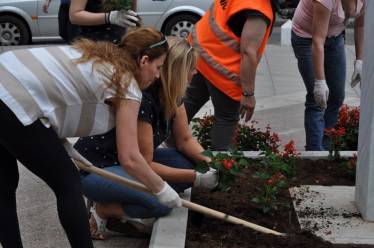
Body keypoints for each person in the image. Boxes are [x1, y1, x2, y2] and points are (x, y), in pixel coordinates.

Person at [0, 27, 182, 248]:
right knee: (68, 184)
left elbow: (50, 96)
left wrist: (63, 146)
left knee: (4, 184)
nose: (157, 75)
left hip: (5, 75)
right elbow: (131, 158)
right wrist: (161, 188)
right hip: (11, 99)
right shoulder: (127, 85)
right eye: (158, 67)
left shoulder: (99, 57)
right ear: (144, 60)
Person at [73, 37, 218, 240]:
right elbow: (145, 164)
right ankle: (104, 210)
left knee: (186, 162)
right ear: (175, 70)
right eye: (191, 68)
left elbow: (185, 139)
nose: (195, 72)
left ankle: (124, 202)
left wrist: (211, 165)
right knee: (160, 203)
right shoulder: (143, 99)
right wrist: (195, 177)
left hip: (126, 162)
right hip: (96, 168)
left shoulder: (173, 95)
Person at [182, 0, 296, 151]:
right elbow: (248, 52)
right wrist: (248, 93)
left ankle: (161, 146)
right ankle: (222, 166)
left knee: (187, 104)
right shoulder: (259, 10)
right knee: (226, 118)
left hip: (200, 53)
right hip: (221, 68)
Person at [291, 0, 364, 150]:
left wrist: (359, 60)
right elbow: (318, 40)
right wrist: (320, 81)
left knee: (336, 96)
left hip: (335, 37)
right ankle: (315, 155)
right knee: (317, 99)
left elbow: (360, 25)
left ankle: (326, 146)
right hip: (306, 38)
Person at [69, 0, 139, 43]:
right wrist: (108, 17)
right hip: (90, 43)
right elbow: (74, 16)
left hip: (120, 41)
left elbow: (132, 11)